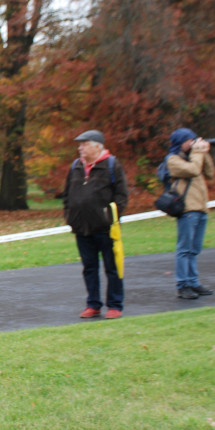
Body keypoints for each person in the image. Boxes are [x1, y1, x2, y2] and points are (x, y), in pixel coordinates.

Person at [62, 129, 128, 320]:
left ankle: (115, 305)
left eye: (84, 144)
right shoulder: (76, 166)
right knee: (89, 268)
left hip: (107, 228)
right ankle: (93, 304)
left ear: (97, 146)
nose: (80, 148)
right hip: (82, 228)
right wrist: (70, 216)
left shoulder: (112, 165)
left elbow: (122, 195)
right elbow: (67, 194)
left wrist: (110, 216)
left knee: (112, 267)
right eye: (79, 144)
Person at [165, 127, 215, 300]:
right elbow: (193, 170)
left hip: (201, 208)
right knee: (184, 249)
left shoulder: (195, 157)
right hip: (187, 210)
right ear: (181, 143)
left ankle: (193, 282)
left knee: (194, 249)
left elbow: (210, 173)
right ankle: (182, 284)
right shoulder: (173, 160)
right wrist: (198, 152)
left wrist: (205, 153)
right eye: (190, 140)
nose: (193, 143)